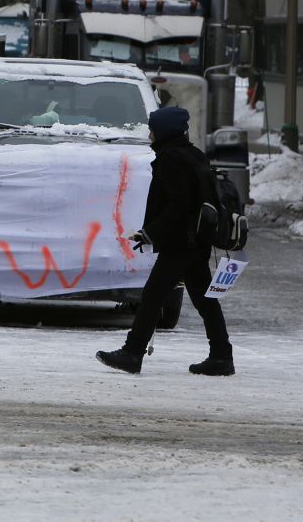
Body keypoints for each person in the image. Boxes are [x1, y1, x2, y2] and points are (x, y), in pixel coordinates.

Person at [96, 106, 234, 376]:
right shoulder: (194, 155)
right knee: (205, 299)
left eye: (152, 129)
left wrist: (151, 232)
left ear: (163, 131)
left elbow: (179, 205)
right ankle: (221, 355)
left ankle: (133, 353)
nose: (149, 135)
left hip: (180, 243)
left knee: (153, 295)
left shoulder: (172, 159)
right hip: (197, 241)